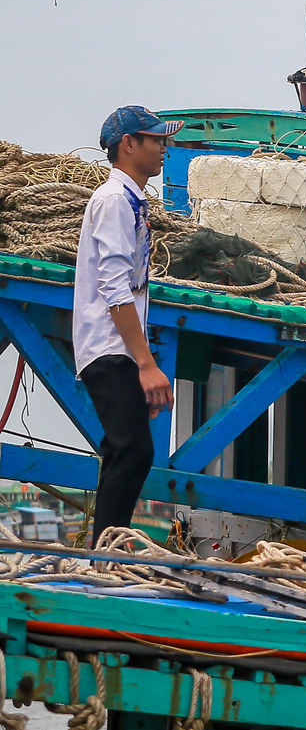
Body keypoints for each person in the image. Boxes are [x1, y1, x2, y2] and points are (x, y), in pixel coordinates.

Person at [75, 106, 179, 547]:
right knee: (133, 450)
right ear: (128, 145)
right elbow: (116, 288)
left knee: (127, 450)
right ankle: (103, 556)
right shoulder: (115, 200)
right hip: (109, 345)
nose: (163, 148)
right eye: (154, 140)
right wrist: (146, 363)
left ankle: (105, 552)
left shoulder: (131, 199)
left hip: (117, 346)